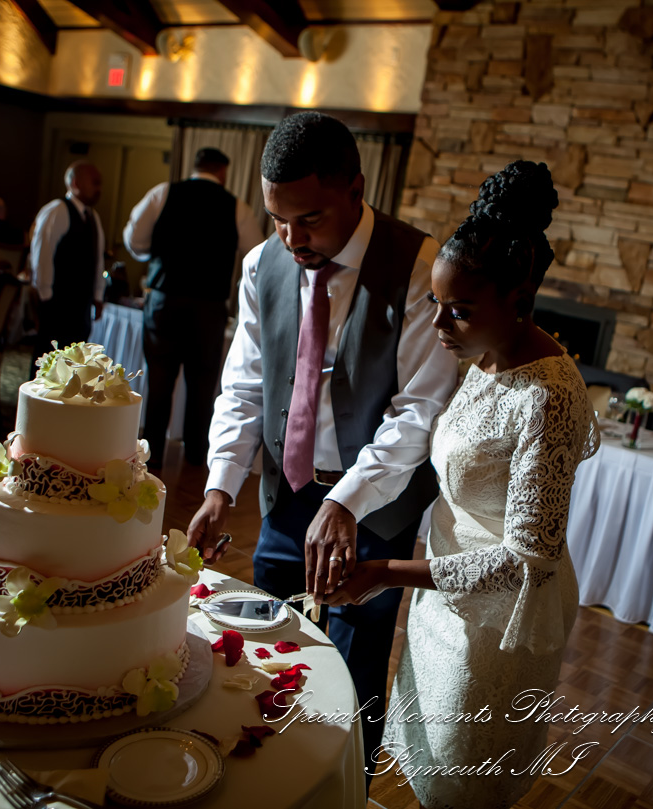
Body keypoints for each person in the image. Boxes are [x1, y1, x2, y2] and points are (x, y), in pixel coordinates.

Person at [186, 112, 459, 768]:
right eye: (278, 218)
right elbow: (246, 384)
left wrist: (349, 500)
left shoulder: (421, 266)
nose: (290, 237)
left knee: (354, 675)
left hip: (374, 509)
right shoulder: (262, 264)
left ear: (355, 189)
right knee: (268, 654)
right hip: (288, 499)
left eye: (308, 219)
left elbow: (419, 410)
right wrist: (222, 485)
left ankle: (345, 788)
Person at [323, 161, 600, 807]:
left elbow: (526, 558)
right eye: (436, 305)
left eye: (461, 309)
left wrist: (388, 570)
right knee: (431, 761)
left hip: (500, 620)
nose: (442, 325)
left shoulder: (549, 396)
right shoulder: (485, 355)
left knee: (463, 778)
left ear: (517, 298)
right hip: (445, 594)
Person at [123, 147, 264, 468]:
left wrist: (156, 256)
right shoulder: (236, 206)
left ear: (194, 166)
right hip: (208, 308)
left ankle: (152, 452)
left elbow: (134, 240)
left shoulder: (163, 193)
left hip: (164, 301)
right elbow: (255, 256)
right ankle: (196, 455)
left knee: (158, 379)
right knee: (202, 385)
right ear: (223, 172)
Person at [30, 161, 106, 360]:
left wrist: (98, 295)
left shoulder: (93, 217)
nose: (99, 189)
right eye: (95, 183)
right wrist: (46, 298)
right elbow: (42, 256)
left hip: (80, 307)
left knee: (74, 363)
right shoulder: (57, 211)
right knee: (49, 363)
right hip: (57, 304)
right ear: (75, 183)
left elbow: (97, 260)